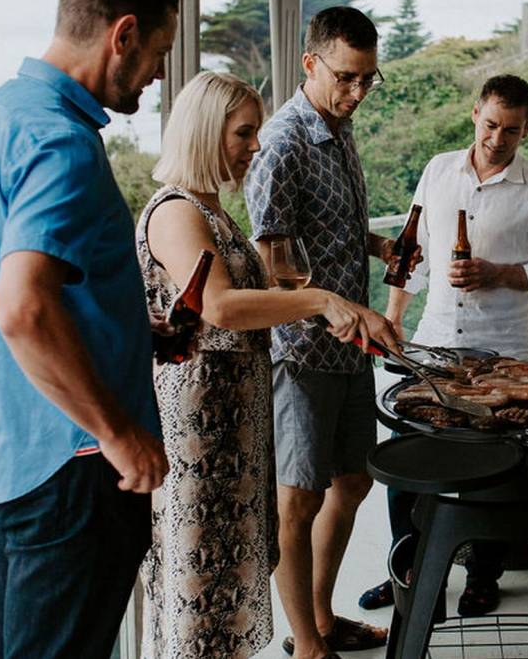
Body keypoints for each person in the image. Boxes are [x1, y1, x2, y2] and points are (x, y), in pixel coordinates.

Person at [0, 0, 176, 657]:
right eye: (160, 52)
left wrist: (133, 333)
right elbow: (21, 308)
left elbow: (23, 289)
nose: (160, 72)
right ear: (123, 34)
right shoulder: (63, 143)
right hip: (68, 471)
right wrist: (118, 432)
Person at [136, 72, 394, 659]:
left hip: (234, 427)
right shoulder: (176, 212)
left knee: (229, 586)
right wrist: (322, 300)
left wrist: (336, 305)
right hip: (199, 436)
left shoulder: (211, 209)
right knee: (199, 587)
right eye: (243, 133)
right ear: (204, 133)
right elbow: (221, 307)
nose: (256, 146)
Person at [360, 74, 528, 616]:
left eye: (510, 130)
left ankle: (485, 576)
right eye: (489, 125)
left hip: (507, 354)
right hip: (434, 347)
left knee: (495, 469)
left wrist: (499, 274)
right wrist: (393, 327)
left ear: (526, 129)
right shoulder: (438, 171)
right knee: (411, 460)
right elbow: (412, 253)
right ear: (474, 113)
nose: (496, 139)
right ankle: (407, 568)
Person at [244, 6, 413, 659]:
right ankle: (308, 642)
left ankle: (319, 616)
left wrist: (378, 244)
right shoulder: (282, 143)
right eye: (346, 77)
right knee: (298, 497)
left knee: (354, 482)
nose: (358, 92)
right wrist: (339, 307)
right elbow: (272, 264)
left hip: (352, 347)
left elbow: (330, 229)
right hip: (300, 352)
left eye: (368, 79)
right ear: (310, 63)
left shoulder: (338, 128)